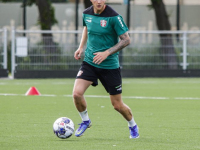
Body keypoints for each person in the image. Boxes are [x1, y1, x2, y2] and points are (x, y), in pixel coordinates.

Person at [72, 0, 139, 139]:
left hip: (109, 66)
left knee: (117, 105)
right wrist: (81, 47)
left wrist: (107, 53)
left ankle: (132, 125)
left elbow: (126, 40)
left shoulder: (114, 17)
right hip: (90, 62)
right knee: (77, 94)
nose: (99, 1)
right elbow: (87, 28)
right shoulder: (86, 13)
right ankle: (85, 121)